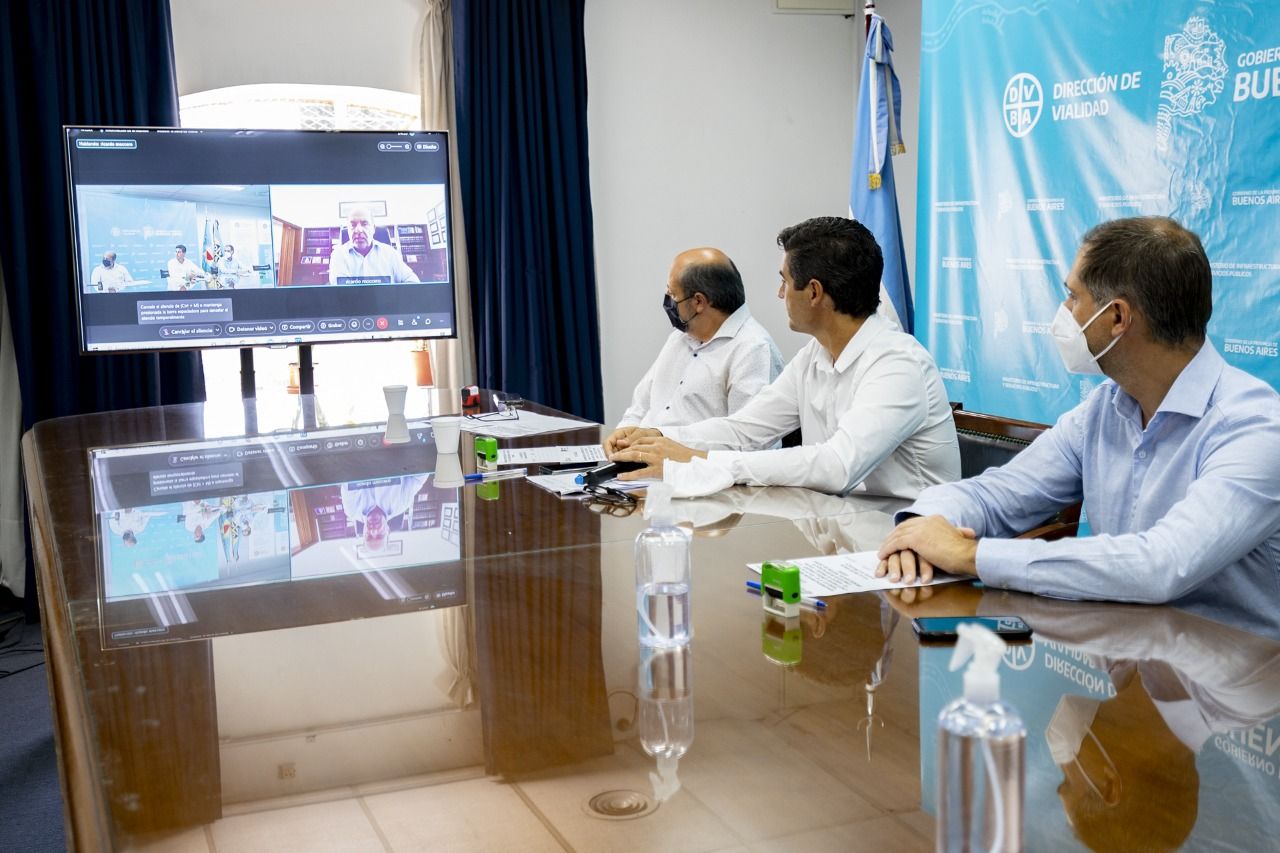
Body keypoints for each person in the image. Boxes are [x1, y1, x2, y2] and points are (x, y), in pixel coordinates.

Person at [876, 216, 1280, 637]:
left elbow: (1161, 565)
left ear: (1118, 316)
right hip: (1127, 652)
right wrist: (920, 527)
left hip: (1235, 669)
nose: (1065, 312)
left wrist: (969, 555)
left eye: (1073, 296)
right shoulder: (1105, 408)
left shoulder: (1253, 428)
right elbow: (997, 494)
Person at [607, 216, 960, 499]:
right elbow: (746, 429)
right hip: (838, 525)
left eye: (785, 282)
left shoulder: (897, 364)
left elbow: (837, 466)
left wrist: (702, 460)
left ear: (814, 292)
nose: (780, 294)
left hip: (906, 537)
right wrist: (656, 437)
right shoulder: (815, 355)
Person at [608, 247, 782, 433]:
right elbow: (640, 404)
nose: (669, 301)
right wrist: (625, 430)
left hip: (685, 452)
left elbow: (750, 440)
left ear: (699, 301)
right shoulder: (679, 336)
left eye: (672, 294)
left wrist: (664, 440)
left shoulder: (753, 349)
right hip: (643, 447)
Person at [328, 206, 420, 284]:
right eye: (353, 225)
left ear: (373, 228)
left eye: (364, 224)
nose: (358, 230)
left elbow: (413, 282)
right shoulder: (338, 255)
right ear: (348, 229)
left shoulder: (390, 254)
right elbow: (341, 292)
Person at [339, 474, 428, 553]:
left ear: (363, 532)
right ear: (387, 530)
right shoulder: (402, 503)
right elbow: (420, 477)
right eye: (380, 535)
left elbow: (347, 476)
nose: (373, 531)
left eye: (368, 536)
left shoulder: (352, 510)